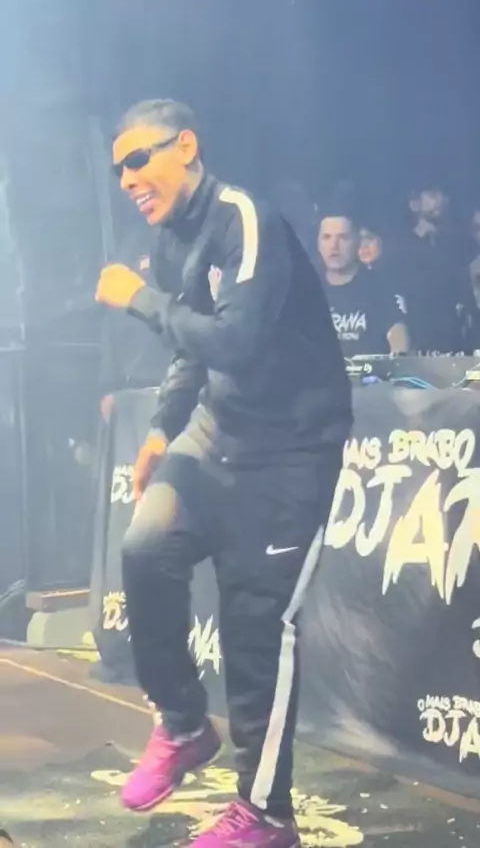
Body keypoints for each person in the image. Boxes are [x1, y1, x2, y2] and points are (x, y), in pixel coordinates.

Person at [95, 98, 352, 848]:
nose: (127, 179)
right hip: (218, 428)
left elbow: (234, 340)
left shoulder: (245, 218)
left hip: (291, 449)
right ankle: (182, 724)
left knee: (254, 626)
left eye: (138, 159)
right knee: (146, 548)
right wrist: (161, 428)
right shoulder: (173, 238)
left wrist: (138, 299)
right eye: (118, 170)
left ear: (186, 146)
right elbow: (194, 349)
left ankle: (266, 815)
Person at [317, 211, 409, 355]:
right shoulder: (306, 290)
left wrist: (398, 360)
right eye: (327, 237)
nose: (334, 245)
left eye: (343, 237)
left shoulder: (381, 288)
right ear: (318, 244)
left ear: (357, 243)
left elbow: (398, 339)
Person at [400, 181, 475, 353]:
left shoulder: (456, 246)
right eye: (433, 195)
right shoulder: (403, 249)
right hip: (418, 345)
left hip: (455, 346)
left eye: (443, 195)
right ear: (414, 203)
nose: (440, 201)